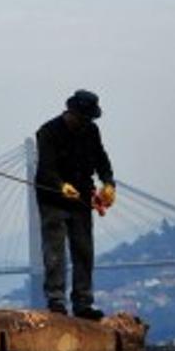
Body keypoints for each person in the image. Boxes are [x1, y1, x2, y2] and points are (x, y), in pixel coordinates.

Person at [35, 89, 116, 319]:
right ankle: (56, 301)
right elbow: (45, 169)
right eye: (83, 118)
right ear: (71, 112)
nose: (85, 122)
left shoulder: (91, 130)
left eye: (89, 119)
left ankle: (83, 303)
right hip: (52, 199)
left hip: (81, 199)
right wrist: (60, 186)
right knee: (55, 251)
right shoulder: (47, 132)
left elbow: (102, 160)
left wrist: (109, 183)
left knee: (83, 251)